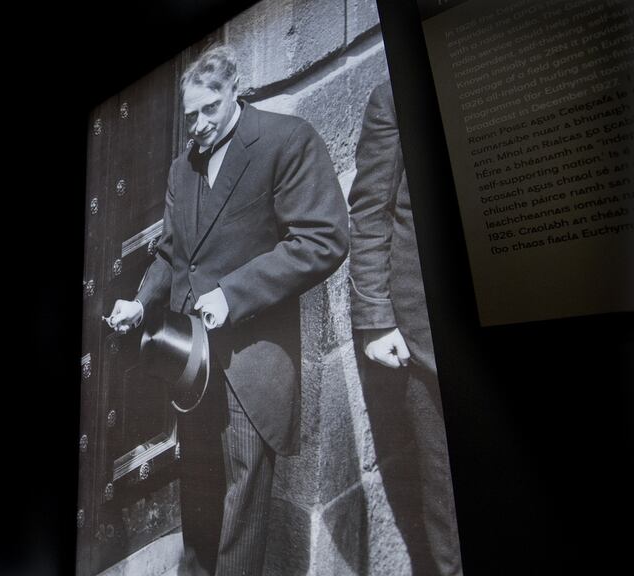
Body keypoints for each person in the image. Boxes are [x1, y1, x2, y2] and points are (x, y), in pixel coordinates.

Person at [107, 45, 348, 576]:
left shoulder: (286, 141)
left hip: (250, 364)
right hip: (190, 363)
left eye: (209, 109)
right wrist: (139, 302)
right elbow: (173, 253)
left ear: (235, 90)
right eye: (189, 114)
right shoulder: (182, 167)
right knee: (197, 496)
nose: (197, 125)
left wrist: (234, 294)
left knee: (241, 506)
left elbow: (323, 239)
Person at [347, 80, 463, 576]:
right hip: (430, 344)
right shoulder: (398, 96)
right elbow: (371, 210)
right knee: (449, 511)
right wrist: (375, 319)